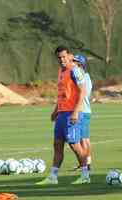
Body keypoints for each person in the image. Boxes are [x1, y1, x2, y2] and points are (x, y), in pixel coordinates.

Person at [36, 46, 90, 185]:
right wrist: (56, 110)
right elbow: (62, 94)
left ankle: (85, 175)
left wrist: (76, 111)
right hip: (62, 113)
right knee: (57, 144)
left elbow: (83, 92)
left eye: (64, 57)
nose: (61, 60)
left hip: (72, 113)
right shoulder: (61, 71)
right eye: (59, 58)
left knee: (74, 145)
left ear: (70, 56)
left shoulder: (75, 70)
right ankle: (53, 177)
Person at [72, 54, 92, 171]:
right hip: (84, 110)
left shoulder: (83, 77)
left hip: (83, 110)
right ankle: (85, 163)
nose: (73, 63)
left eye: (75, 61)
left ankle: (87, 164)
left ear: (80, 64)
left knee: (83, 139)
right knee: (83, 138)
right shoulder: (84, 76)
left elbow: (83, 93)